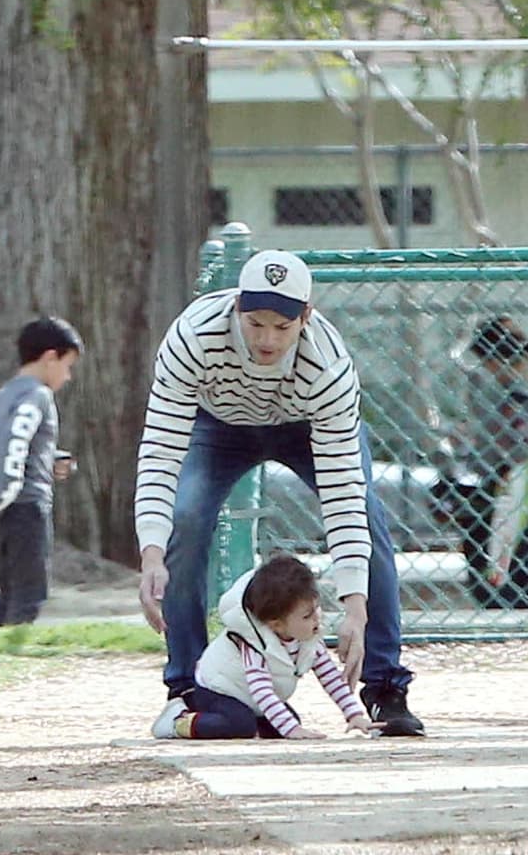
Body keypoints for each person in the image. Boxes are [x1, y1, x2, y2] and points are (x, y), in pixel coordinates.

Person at [135, 249, 425, 737]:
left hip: (304, 427)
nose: (267, 339)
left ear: (306, 317)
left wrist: (354, 606)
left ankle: (384, 687)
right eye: (255, 323)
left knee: (368, 521)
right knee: (184, 519)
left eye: (282, 327)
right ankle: (188, 688)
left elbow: (343, 492)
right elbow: (161, 449)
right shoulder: (192, 337)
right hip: (217, 426)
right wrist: (150, 551)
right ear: (236, 309)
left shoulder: (328, 365)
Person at [153, 553, 383, 740]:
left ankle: (253, 724)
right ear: (276, 624)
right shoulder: (253, 643)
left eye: (317, 609)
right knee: (239, 725)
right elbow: (261, 691)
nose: (317, 619)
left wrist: (354, 715)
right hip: (218, 689)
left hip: (249, 698)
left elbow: (331, 678)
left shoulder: (308, 639)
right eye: (307, 615)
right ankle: (178, 720)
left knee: (283, 724)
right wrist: (291, 730)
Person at [0, 316, 83, 628]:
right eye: (67, 365)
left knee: (10, 593)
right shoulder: (37, 395)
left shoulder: (7, 393)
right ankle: (10, 656)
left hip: (10, 505)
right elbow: (16, 440)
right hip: (27, 505)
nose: (68, 376)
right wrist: (7, 490)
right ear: (50, 358)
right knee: (29, 595)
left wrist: (52, 459)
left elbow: (14, 441)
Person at [451, 316, 528, 608]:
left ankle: (506, 594)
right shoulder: (497, 390)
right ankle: (501, 594)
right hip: (502, 476)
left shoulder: (516, 386)